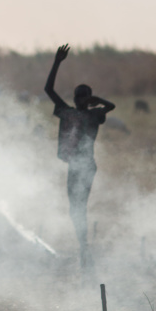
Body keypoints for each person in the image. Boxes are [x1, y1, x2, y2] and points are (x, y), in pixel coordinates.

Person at [45, 44, 115, 267]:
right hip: (74, 165)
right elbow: (49, 90)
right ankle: (83, 246)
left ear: (88, 99)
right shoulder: (68, 113)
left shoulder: (94, 115)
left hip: (85, 166)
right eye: (78, 96)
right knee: (74, 209)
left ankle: (84, 248)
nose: (79, 99)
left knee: (79, 208)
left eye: (83, 97)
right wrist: (57, 62)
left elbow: (111, 105)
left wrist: (96, 101)